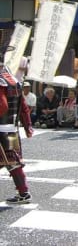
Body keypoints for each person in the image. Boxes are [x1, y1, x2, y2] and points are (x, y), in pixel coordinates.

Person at [0, 51, 34, 204]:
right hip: (12, 129)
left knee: (11, 162)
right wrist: (28, 126)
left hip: (1, 130)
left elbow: (2, 106)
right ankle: (23, 192)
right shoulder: (13, 80)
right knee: (13, 162)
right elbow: (24, 107)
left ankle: (24, 193)